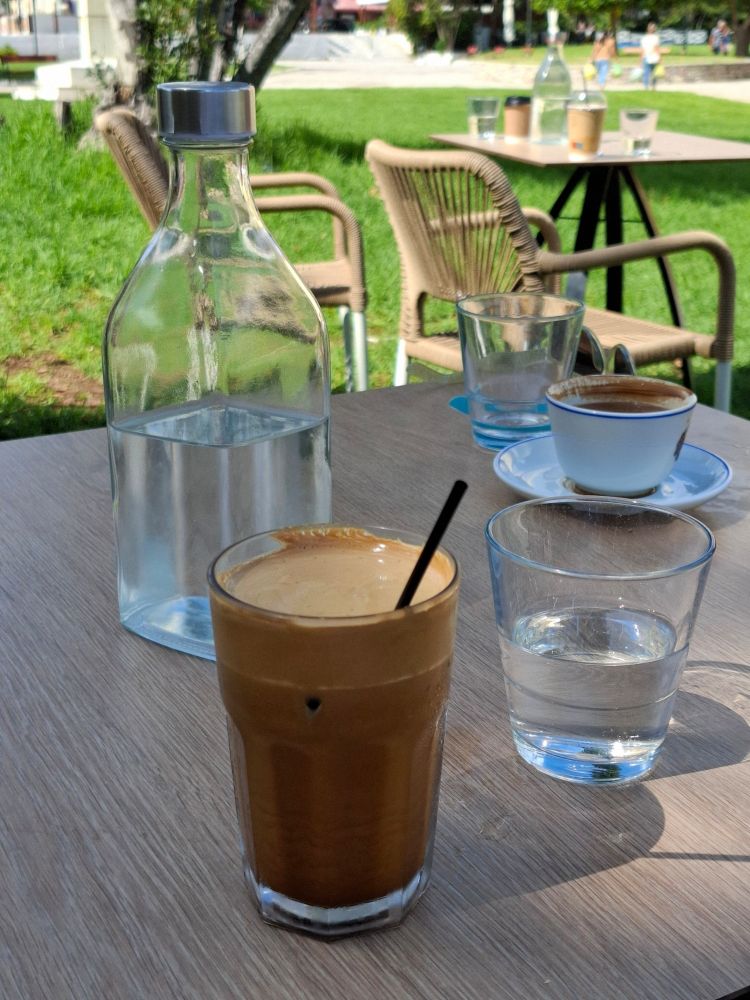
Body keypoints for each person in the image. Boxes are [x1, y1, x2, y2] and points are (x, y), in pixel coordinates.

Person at [640, 22, 661, 90]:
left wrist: (641, 59)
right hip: (654, 56)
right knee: (654, 72)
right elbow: (657, 49)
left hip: (646, 57)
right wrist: (659, 58)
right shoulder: (655, 38)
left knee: (646, 73)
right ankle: (653, 86)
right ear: (654, 29)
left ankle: (646, 87)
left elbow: (642, 50)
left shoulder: (644, 38)